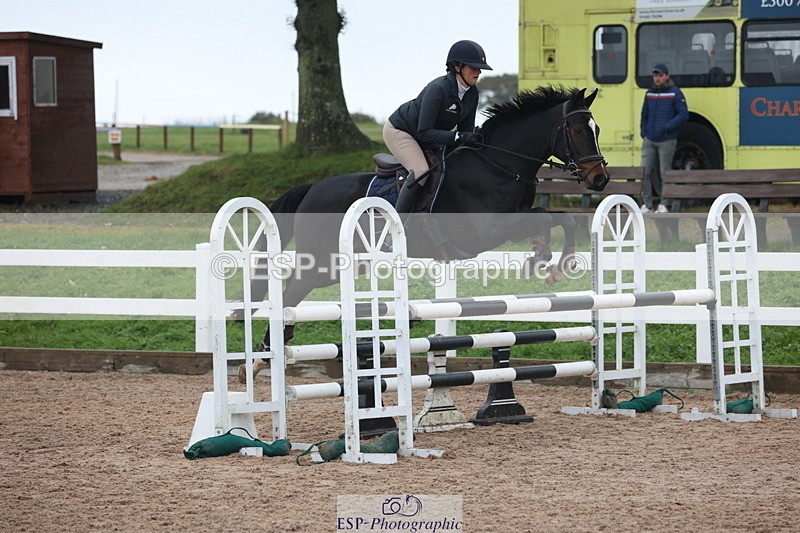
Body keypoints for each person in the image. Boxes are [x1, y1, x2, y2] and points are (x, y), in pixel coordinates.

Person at [384, 40, 492, 214]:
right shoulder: (438, 89)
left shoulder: (472, 93)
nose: (479, 72)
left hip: (428, 135)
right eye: (474, 67)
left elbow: (465, 130)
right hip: (401, 131)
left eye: (480, 68)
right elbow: (424, 132)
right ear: (457, 67)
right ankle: (397, 222)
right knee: (421, 170)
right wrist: (457, 136)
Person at [639, 63, 688, 213]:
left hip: (667, 139)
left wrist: (667, 127)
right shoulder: (649, 93)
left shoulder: (675, 93)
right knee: (644, 172)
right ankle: (647, 205)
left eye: (660, 75)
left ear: (667, 76)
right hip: (649, 139)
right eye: (655, 75)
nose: (657, 78)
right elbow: (644, 114)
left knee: (664, 173)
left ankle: (664, 204)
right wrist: (644, 131)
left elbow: (683, 114)